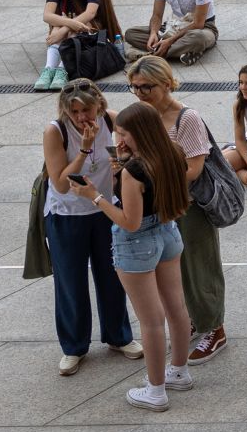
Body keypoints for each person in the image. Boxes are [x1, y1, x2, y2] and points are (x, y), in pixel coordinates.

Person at [67, 101, 191, 411]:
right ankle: (180, 371)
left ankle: (156, 390)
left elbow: (129, 222)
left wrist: (93, 195)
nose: (119, 140)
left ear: (140, 134)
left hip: (137, 244)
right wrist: (119, 159)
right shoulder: (172, 152)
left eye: (124, 134)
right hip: (168, 232)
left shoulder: (134, 172)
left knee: (150, 321)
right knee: (176, 307)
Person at [124, 55, 227, 363]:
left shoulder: (186, 117)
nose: (140, 93)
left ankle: (215, 329)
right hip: (160, 207)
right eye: (134, 87)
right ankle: (193, 319)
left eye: (146, 87)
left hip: (188, 205)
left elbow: (194, 167)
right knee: (175, 271)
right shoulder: (143, 116)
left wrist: (160, 186)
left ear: (166, 83)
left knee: (200, 267)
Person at [42, 79, 140, 372]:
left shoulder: (110, 121)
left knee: (113, 275)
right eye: (75, 112)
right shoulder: (55, 131)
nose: (83, 117)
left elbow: (119, 156)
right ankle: (74, 346)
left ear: (100, 105)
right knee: (70, 281)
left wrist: (117, 165)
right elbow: (59, 184)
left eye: (87, 109)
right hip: (66, 215)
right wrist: (83, 151)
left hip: (103, 209)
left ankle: (118, 336)